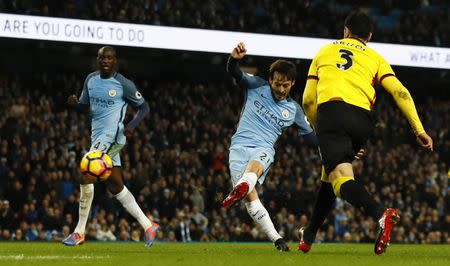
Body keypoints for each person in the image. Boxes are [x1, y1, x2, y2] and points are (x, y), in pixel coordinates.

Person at [299, 11, 433, 255]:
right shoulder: (376, 57)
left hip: (332, 112)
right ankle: (308, 235)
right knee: (328, 175)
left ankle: (380, 214)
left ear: (346, 31)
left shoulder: (325, 51)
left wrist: (321, 128)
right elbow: (400, 92)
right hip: (363, 120)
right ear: (369, 36)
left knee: (340, 180)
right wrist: (419, 129)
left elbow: (308, 99)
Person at [222, 42, 317, 251]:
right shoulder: (256, 85)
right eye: (277, 84)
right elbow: (233, 72)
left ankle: (244, 183)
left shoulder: (294, 110)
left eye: (285, 85)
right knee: (250, 197)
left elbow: (312, 140)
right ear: (270, 80)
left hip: (263, 149)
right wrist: (234, 59)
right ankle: (277, 239)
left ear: (292, 83)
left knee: (253, 171)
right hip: (238, 147)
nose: (281, 90)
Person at [62, 46, 159, 247]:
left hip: (113, 137)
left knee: (85, 174)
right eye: (102, 57)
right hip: (97, 136)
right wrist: (75, 104)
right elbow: (85, 106)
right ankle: (148, 225)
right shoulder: (90, 79)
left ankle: (79, 232)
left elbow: (144, 107)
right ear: (98, 60)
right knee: (115, 185)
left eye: (109, 58)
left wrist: (131, 126)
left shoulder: (124, 84)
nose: (105, 60)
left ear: (115, 61)